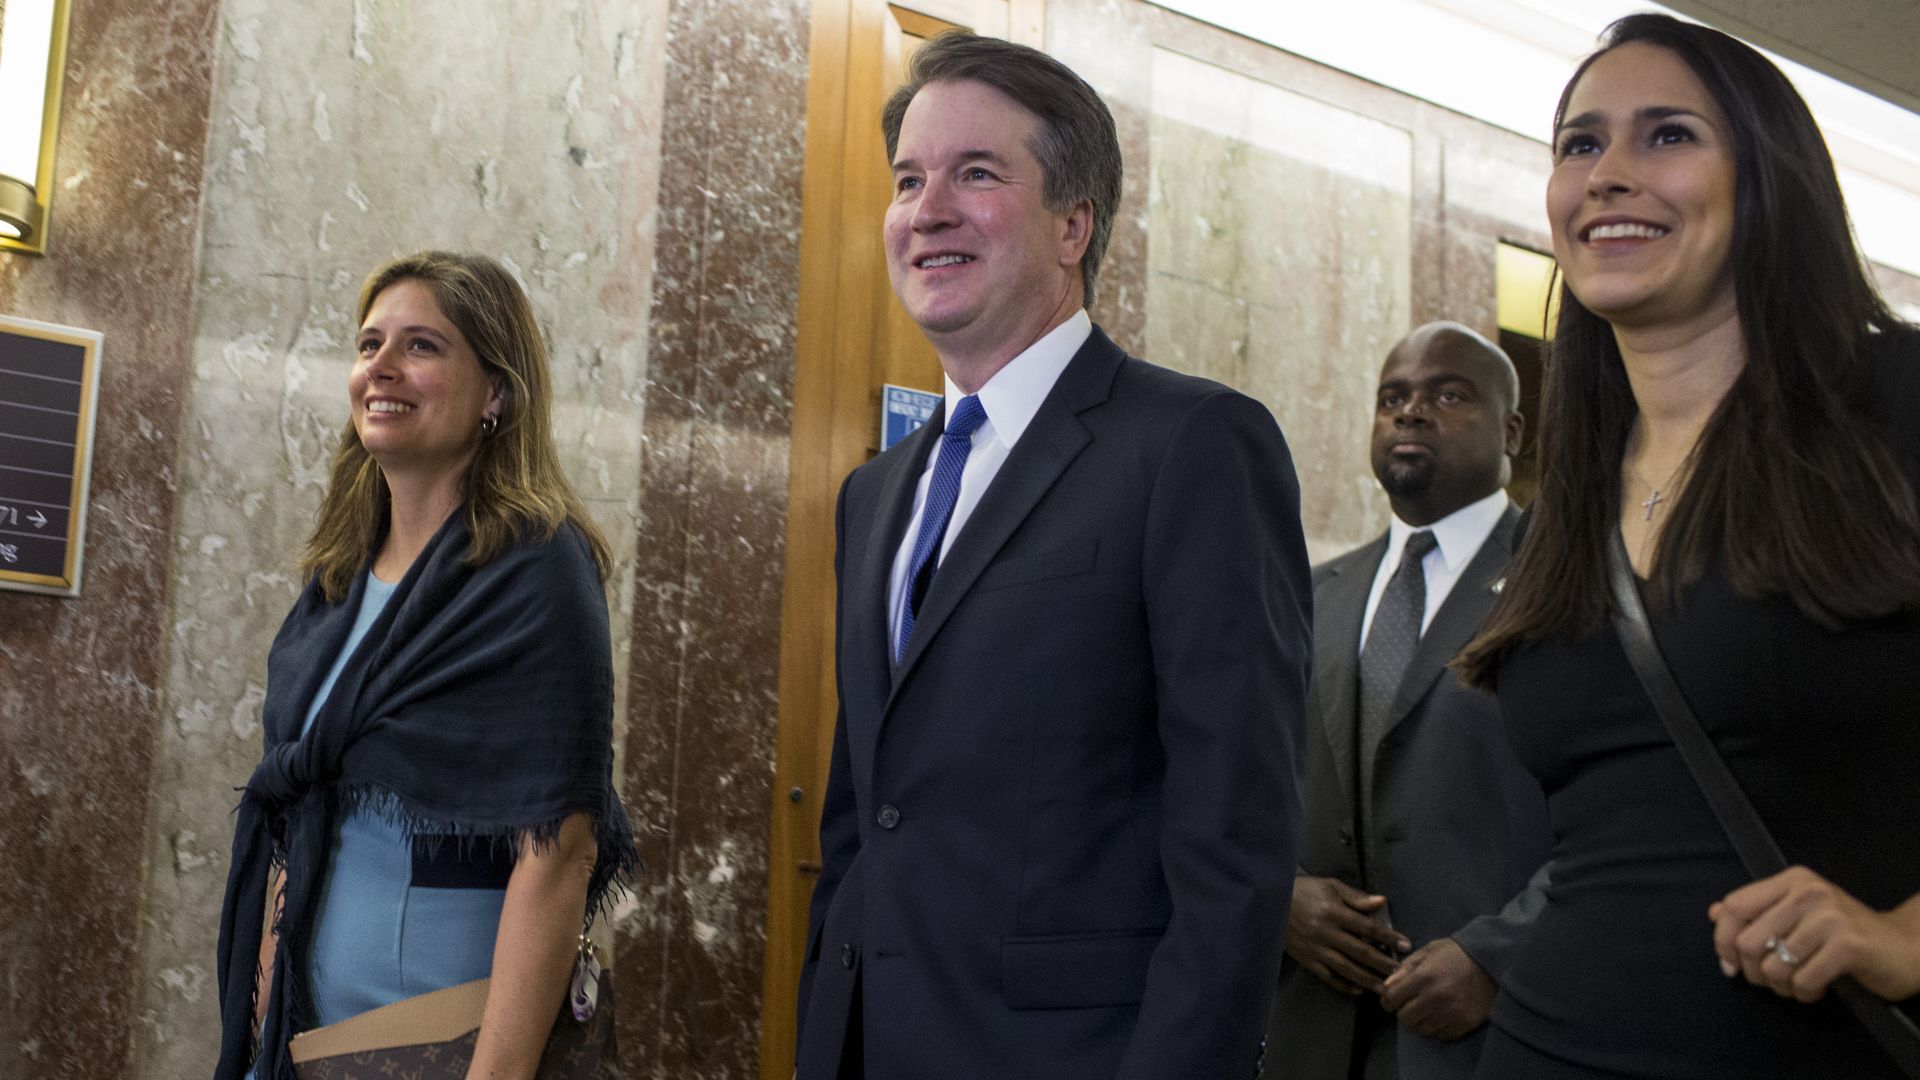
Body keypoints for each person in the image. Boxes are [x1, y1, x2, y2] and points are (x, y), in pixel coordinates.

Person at [793, 31, 1312, 1080]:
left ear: (1074, 223)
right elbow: (866, 815)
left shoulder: (1193, 447)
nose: (926, 209)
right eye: (907, 180)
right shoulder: (875, 495)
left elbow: (1236, 842)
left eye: (975, 174)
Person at [1454, 14, 1920, 1078]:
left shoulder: (1897, 406)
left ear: (1768, 182)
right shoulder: (1569, 501)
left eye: (1667, 136)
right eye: (1580, 144)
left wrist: (1903, 938)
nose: (1609, 174)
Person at [212, 251, 639, 1080]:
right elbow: (297, 793)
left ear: (496, 393)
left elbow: (561, 849)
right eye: (370, 343)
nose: (382, 365)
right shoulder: (337, 577)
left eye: (421, 346)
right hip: (312, 1031)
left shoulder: (539, 569)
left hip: (449, 1035)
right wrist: (270, 954)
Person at [1267, 323, 1552, 1080]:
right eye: (1393, 397)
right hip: (1313, 1038)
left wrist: (1500, 957)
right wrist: (1278, 899)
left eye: (1448, 395)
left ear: (1512, 430)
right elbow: (1245, 783)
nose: (1411, 412)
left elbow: (1632, 811)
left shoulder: (1565, 582)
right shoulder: (1312, 595)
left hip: (1490, 1037)